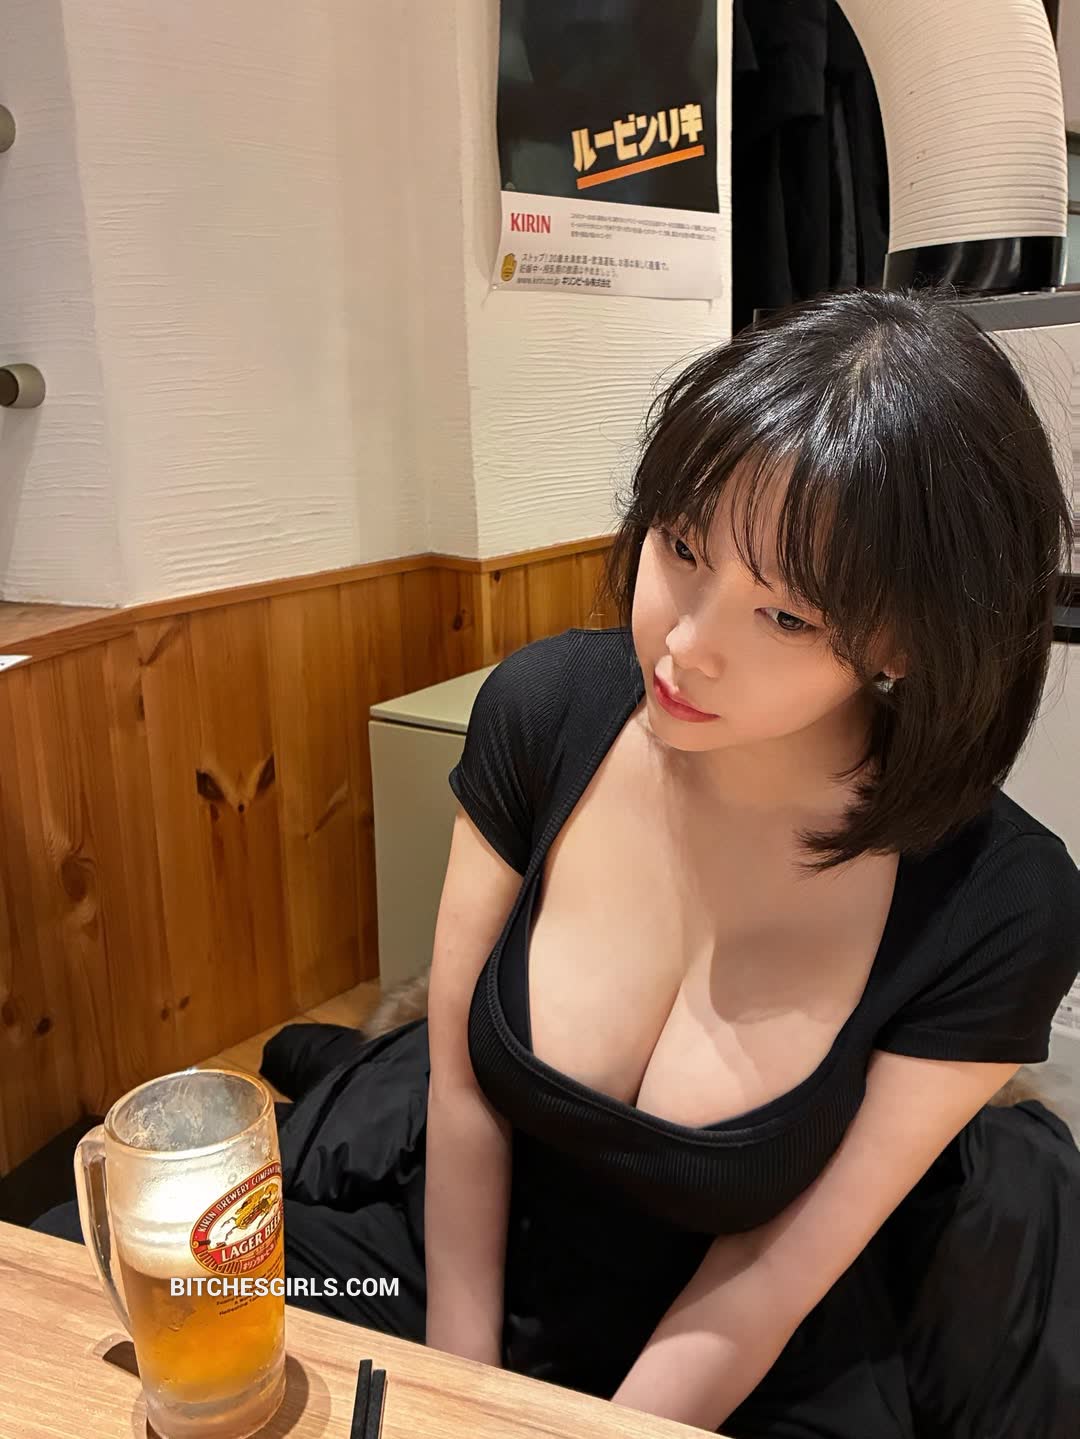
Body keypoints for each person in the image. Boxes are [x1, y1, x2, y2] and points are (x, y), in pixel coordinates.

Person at [37, 288, 1080, 1437]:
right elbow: (462, 1089)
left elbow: (774, 1268)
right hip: (462, 1269)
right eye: (682, 547)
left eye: (784, 616)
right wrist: (465, 1391)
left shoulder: (1000, 900)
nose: (685, 643)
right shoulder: (545, 709)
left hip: (739, 1354)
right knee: (100, 1301)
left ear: (903, 642)